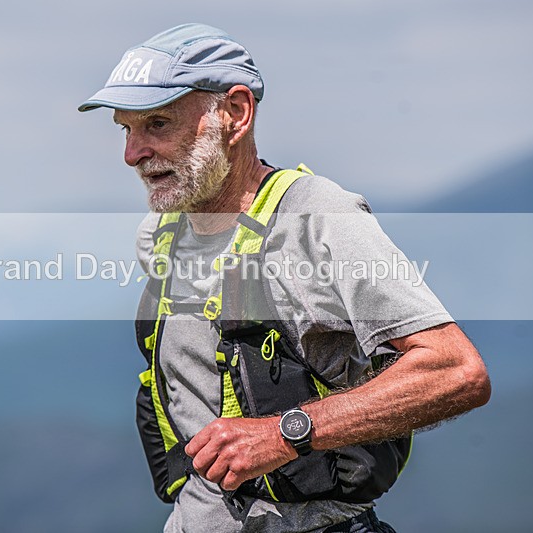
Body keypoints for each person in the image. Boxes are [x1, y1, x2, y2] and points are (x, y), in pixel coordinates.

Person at [78, 23, 491, 532]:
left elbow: (455, 370)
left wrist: (283, 434)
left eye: (158, 124)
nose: (133, 153)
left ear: (235, 113)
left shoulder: (318, 219)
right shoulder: (161, 233)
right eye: (127, 128)